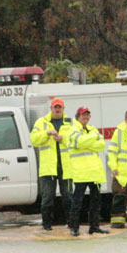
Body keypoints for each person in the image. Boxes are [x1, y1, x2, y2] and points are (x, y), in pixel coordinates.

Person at [29, 97, 73, 230]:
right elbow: (34, 139)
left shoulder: (70, 122)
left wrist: (63, 139)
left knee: (68, 198)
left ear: (63, 109)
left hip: (66, 167)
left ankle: (71, 225)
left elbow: (76, 140)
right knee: (47, 198)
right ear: (51, 108)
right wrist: (47, 133)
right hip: (48, 167)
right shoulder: (41, 122)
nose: (57, 109)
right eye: (55, 107)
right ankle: (47, 226)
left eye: (60, 107)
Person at [67, 106, 108, 236]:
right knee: (77, 203)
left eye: (87, 115)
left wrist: (88, 141)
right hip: (81, 172)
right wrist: (93, 138)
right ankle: (74, 228)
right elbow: (79, 141)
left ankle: (94, 227)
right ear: (77, 117)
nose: (86, 117)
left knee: (96, 202)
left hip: (95, 172)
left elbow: (101, 145)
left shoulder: (92, 129)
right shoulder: (72, 129)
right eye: (83, 114)